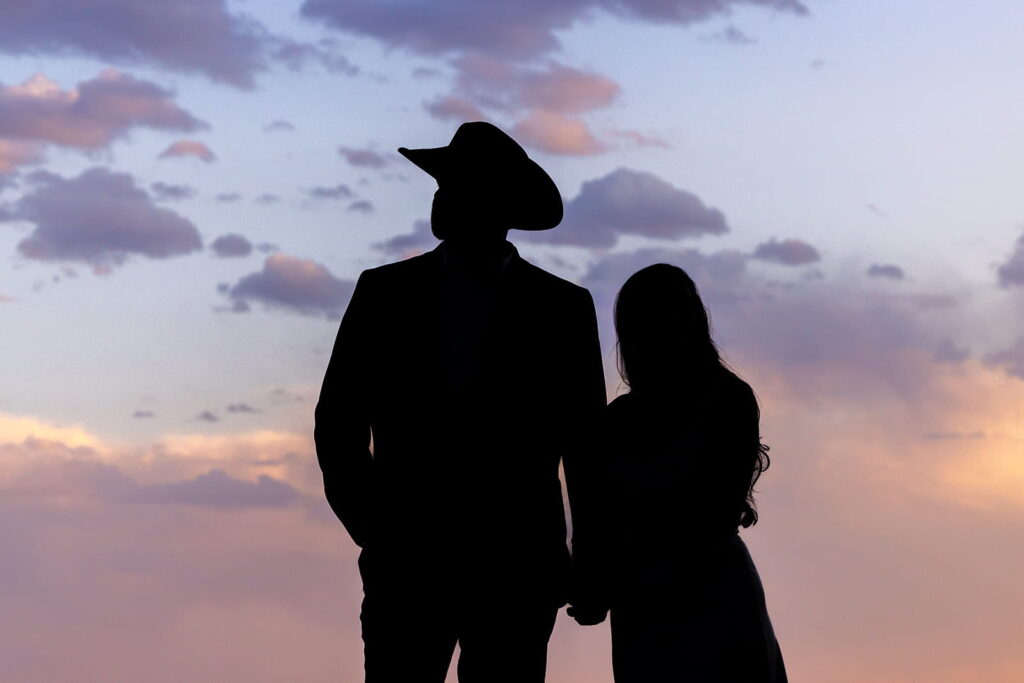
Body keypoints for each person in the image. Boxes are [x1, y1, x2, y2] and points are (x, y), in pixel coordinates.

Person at [314, 121, 606, 683]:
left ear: (495, 204)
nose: (441, 199)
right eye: (442, 185)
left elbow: (587, 447)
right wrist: (375, 527)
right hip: (408, 569)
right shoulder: (383, 293)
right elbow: (337, 422)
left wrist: (591, 563)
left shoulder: (562, 309)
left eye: (456, 186)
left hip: (516, 573)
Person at [568, 263, 787, 682]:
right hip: (667, 598)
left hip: (678, 598)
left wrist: (602, 577)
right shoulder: (729, 400)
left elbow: (706, 517)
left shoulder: (629, 419)